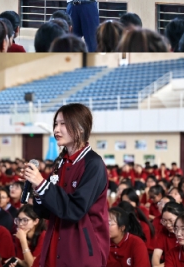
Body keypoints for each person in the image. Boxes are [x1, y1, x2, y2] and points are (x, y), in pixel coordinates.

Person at [24, 103, 110, 267]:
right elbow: (47, 211)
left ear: (80, 128)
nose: (56, 130)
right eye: (56, 124)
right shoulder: (60, 163)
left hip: (81, 252)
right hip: (55, 245)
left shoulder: (93, 164)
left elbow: (75, 209)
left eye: (63, 124)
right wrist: (37, 188)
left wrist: (42, 184)